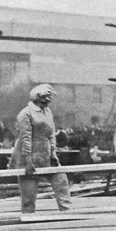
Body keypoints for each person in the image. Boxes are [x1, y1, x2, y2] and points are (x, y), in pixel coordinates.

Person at [8, 84, 72, 215]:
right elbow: (25, 138)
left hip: (46, 154)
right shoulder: (25, 114)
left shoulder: (47, 112)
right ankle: (29, 224)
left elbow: (51, 133)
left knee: (61, 181)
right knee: (28, 197)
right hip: (28, 155)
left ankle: (68, 215)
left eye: (49, 99)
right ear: (37, 98)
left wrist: (53, 153)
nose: (48, 102)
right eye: (45, 99)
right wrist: (28, 161)